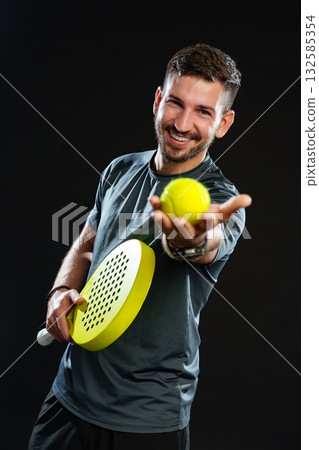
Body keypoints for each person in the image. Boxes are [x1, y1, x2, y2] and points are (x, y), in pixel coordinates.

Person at [29, 44, 252, 450]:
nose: (183, 123)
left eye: (203, 111)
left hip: (145, 420)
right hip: (68, 396)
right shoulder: (121, 168)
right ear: (157, 101)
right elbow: (85, 245)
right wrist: (61, 291)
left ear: (223, 123)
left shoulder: (219, 200)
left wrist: (191, 238)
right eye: (175, 103)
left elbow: (206, 243)